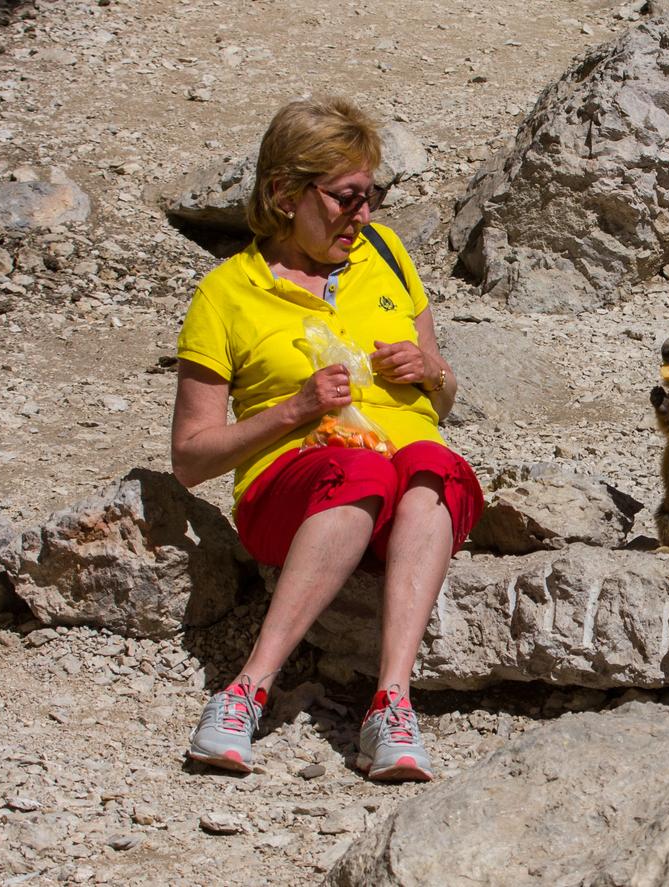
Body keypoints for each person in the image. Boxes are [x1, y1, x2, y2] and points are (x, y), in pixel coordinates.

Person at [171, 96, 483, 782]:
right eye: (346, 198)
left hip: (407, 479)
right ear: (285, 194)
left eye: (371, 195)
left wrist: (431, 371)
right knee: (363, 470)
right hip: (295, 489)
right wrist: (295, 410)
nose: (363, 215)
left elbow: (444, 398)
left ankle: (392, 703)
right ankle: (247, 690)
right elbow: (191, 457)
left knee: (433, 466)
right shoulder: (227, 294)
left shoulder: (387, 255)